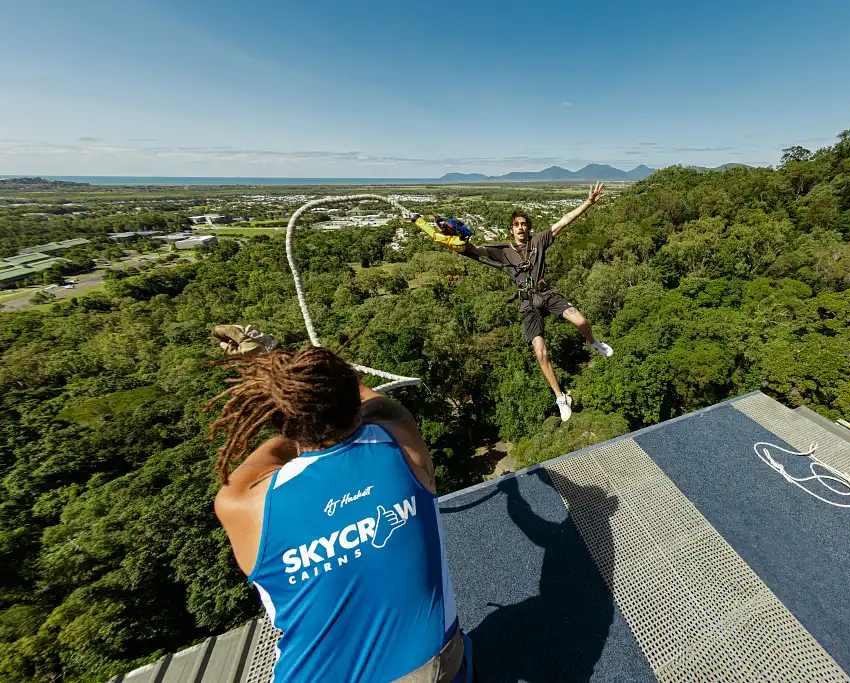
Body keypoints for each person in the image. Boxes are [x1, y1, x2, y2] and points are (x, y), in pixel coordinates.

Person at [208, 343, 469, 683]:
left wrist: (285, 389)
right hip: (434, 667)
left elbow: (269, 457)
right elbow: (379, 407)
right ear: (352, 404)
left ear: (282, 420)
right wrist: (310, 388)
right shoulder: (400, 444)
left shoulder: (242, 503)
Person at [417, 184, 613, 422]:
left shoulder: (539, 241)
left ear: (529, 228)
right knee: (540, 353)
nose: (521, 228)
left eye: (524, 224)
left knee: (581, 321)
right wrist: (456, 238)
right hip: (527, 303)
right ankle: (561, 397)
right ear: (512, 230)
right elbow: (475, 250)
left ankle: (593, 342)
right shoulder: (503, 250)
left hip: (546, 293)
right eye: (517, 225)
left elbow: (564, 220)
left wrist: (589, 203)